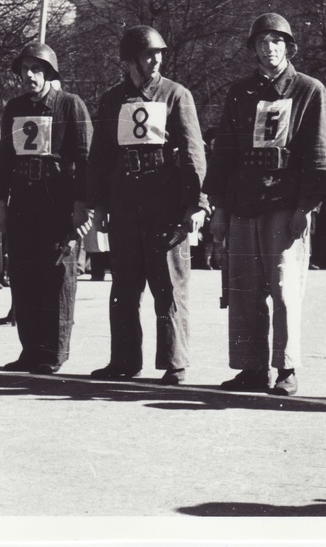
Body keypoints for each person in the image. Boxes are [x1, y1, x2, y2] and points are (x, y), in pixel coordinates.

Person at [205, 13, 326, 396]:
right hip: (244, 201)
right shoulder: (239, 92)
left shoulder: (309, 90)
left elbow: (316, 152)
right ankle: (251, 367)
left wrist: (305, 207)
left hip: (284, 202)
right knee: (245, 289)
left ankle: (286, 368)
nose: (269, 48)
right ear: (253, 48)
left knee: (284, 288)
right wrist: (220, 208)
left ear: (288, 47)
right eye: (262, 41)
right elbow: (224, 152)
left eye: (277, 41)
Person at [87, 25, 207, 385]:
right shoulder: (111, 100)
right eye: (146, 55)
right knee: (124, 286)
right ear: (131, 61)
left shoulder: (176, 95)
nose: (154, 61)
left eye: (158, 54)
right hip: (124, 203)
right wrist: (100, 204)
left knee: (169, 284)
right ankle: (123, 359)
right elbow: (101, 157)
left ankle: (175, 361)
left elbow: (192, 151)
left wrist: (195, 202)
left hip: (165, 203)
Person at [0, 42, 93, 374]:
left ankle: (54, 353)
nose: (30, 76)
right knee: (23, 276)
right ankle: (30, 349)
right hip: (22, 202)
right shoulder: (14, 108)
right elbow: (4, 160)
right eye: (25, 70)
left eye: (37, 70)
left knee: (57, 279)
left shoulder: (69, 105)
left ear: (49, 73)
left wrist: (82, 205)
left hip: (56, 203)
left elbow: (85, 159)